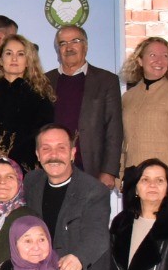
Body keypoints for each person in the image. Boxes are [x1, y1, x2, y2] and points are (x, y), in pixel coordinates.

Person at [22, 126, 114, 270]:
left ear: (73, 153)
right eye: (46, 149)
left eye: (61, 148)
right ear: (37, 154)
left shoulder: (94, 191)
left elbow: (98, 234)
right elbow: (2, 196)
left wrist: (79, 257)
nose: (53, 155)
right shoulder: (31, 182)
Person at [46, 25, 123, 189]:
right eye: (63, 43)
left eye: (75, 41)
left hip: (91, 170)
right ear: (58, 49)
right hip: (53, 167)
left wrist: (109, 171)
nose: (69, 47)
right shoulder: (45, 81)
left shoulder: (106, 80)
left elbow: (114, 128)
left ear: (85, 46)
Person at [120, 37, 168, 194]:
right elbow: (123, 141)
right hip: (133, 178)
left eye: (165, 56)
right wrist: (119, 175)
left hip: (162, 180)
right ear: (140, 60)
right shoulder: (128, 97)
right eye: (152, 55)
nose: (159, 60)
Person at [0, 34, 55, 173]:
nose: (14, 58)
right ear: (0, 60)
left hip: (28, 169)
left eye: (21, 54)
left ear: (28, 61)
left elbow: (43, 139)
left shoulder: (41, 97)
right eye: (9, 53)